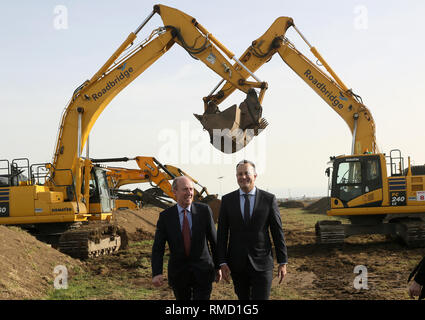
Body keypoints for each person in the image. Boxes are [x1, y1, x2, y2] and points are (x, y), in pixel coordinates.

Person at [217, 159, 288, 300]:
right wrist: (222, 262)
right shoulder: (227, 200)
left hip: (262, 264)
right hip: (237, 265)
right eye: (239, 174)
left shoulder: (268, 199)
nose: (243, 177)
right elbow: (222, 234)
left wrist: (282, 261)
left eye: (246, 173)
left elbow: (277, 232)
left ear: (255, 176)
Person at [151, 176, 220, 300]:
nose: (189, 193)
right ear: (175, 192)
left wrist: (218, 266)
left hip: (203, 271)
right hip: (179, 274)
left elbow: (214, 241)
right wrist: (157, 273)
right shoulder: (165, 217)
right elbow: (158, 247)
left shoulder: (204, 211)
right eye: (185, 189)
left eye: (191, 189)